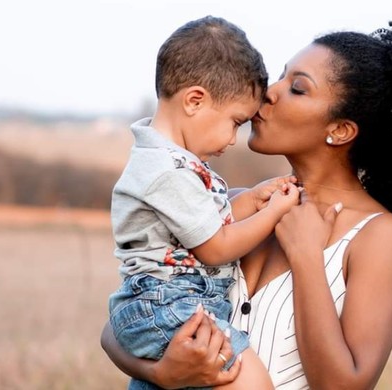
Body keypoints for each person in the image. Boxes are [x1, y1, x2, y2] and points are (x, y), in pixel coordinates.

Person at [102, 20, 392, 389]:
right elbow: (123, 319)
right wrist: (162, 373)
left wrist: (306, 257)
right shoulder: (235, 208)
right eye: (280, 76)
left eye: (297, 88)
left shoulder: (378, 235)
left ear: (340, 130)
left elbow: (342, 385)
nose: (269, 92)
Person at [107, 15, 300, 390]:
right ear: (195, 100)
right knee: (251, 382)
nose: (233, 139)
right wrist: (275, 211)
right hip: (169, 306)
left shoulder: (175, 161)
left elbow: (209, 220)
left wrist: (253, 199)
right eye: (235, 121)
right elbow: (215, 247)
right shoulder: (167, 171)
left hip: (167, 305)